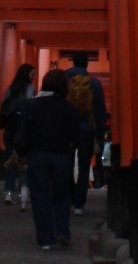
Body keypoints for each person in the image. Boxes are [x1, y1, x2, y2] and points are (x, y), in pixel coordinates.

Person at [20, 68, 82, 251]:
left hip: (37, 154)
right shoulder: (68, 107)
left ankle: (45, 239)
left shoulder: (32, 106)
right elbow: (76, 135)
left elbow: (24, 132)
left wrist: (22, 152)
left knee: (40, 195)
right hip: (61, 155)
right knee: (62, 195)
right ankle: (62, 231)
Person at [65, 53, 107, 209]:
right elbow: (100, 112)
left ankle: (68, 197)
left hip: (67, 129)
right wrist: (99, 137)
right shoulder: (94, 83)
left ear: (73, 61)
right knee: (84, 167)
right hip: (87, 129)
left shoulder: (64, 80)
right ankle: (79, 204)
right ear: (87, 65)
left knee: (67, 164)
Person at [0, 61, 34, 204]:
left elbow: (4, 105)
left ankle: (8, 192)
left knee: (10, 159)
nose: (34, 77)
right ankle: (24, 191)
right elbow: (30, 105)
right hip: (23, 128)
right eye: (32, 74)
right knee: (24, 159)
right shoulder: (30, 88)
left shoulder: (11, 88)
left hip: (10, 127)